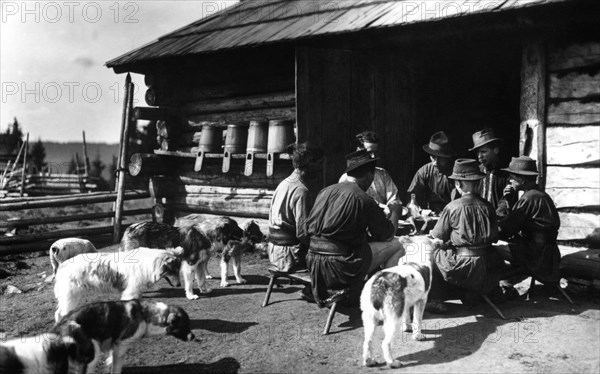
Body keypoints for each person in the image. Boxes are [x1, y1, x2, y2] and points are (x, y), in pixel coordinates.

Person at [305, 150, 406, 307]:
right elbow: (387, 235)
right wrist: (395, 213)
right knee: (397, 245)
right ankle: (388, 301)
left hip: (314, 265)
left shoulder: (325, 191)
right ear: (369, 175)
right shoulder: (363, 199)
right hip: (339, 269)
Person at [428, 159, 506, 308]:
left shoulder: (452, 207)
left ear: (458, 184)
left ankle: (436, 298)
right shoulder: (488, 207)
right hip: (489, 264)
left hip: (464, 267)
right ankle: (472, 293)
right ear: (477, 183)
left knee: (433, 252)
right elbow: (495, 238)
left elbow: (437, 237)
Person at [497, 156, 561, 294]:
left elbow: (507, 228)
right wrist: (509, 201)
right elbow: (518, 221)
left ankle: (500, 281)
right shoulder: (538, 195)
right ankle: (507, 281)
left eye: (512, 177)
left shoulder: (529, 198)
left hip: (536, 254)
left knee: (495, 249)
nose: (510, 180)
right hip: (548, 253)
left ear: (522, 179)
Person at [267, 142, 324, 272]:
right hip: (289, 256)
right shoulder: (301, 191)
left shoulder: (284, 183)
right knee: (333, 261)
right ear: (310, 163)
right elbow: (303, 234)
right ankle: (310, 291)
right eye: (319, 164)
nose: (321, 169)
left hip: (274, 251)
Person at [339, 131, 403, 230]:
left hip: (382, 225)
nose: (373, 156)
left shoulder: (382, 174)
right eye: (369, 152)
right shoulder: (347, 178)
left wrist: (391, 209)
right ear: (358, 150)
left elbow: (394, 202)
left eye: (375, 152)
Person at [407, 131, 457, 214]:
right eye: (433, 157)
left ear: (447, 157)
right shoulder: (423, 172)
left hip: (452, 214)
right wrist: (417, 209)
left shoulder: (456, 172)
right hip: (428, 215)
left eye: (440, 158)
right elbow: (412, 198)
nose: (435, 162)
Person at [469, 128, 515, 211]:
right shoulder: (476, 172)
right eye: (477, 153)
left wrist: (496, 216)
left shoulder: (507, 172)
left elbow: (505, 200)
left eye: (483, 152)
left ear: (496, 150)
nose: (479, 156)